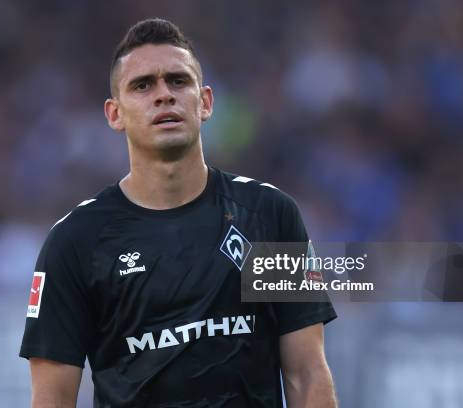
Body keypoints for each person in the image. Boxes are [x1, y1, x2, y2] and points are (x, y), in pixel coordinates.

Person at [20, 18, 337, 407]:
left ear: (204, 102)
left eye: (177, 81)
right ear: (114, 114)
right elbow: (52, 400)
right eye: (142, 86)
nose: (164, 95)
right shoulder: (75, 241)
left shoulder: (269, 216)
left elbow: (307, 374)